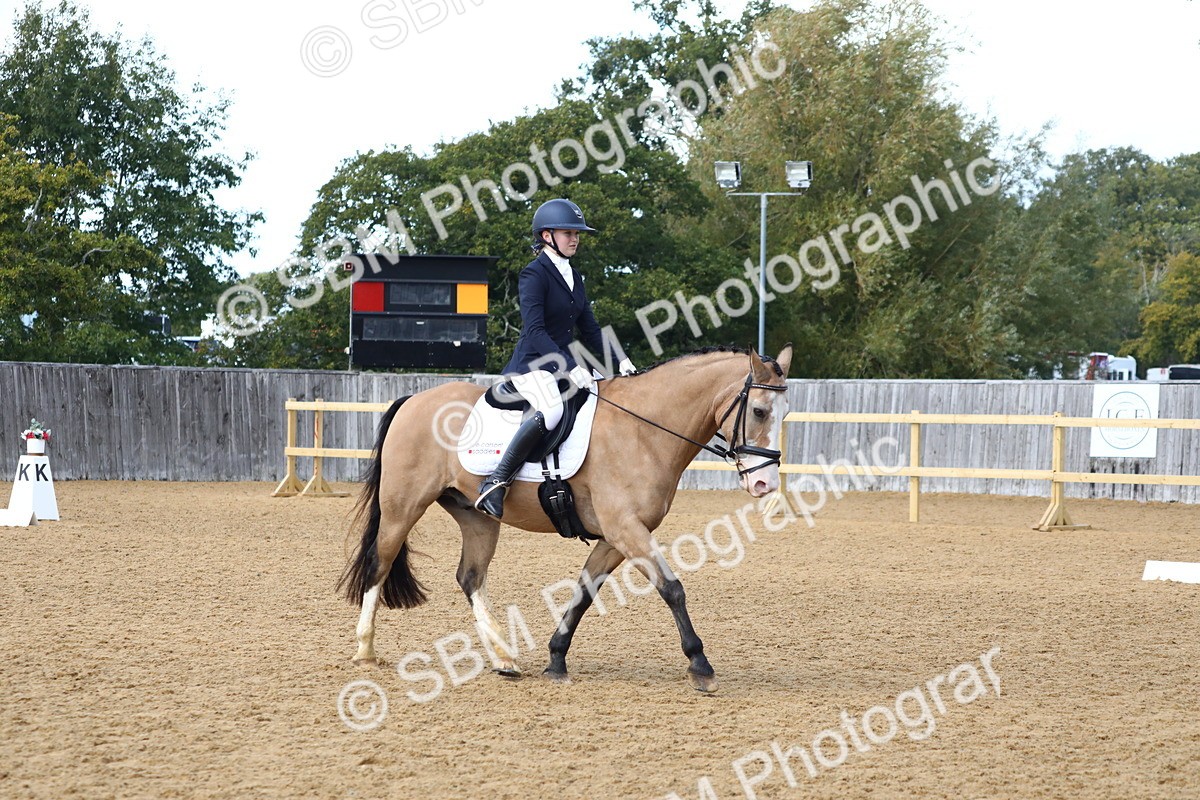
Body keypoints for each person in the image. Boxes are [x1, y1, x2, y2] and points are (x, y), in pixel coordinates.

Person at [474, 198, 636, 519]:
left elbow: (590, 329)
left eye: (577, 234)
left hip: (563, 364)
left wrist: (620, 360)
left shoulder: (574, 276)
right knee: (551, 410)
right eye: (568, 233)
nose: (575, 239)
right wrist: (570, 367)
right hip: (532, 365)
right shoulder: (533, 275)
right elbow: (535, 331)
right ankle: (497, 481)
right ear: (547, 236)